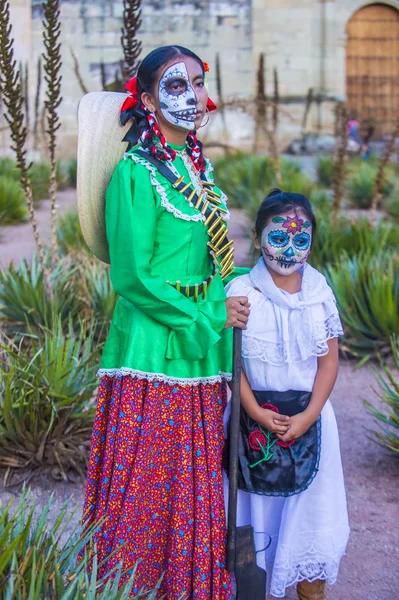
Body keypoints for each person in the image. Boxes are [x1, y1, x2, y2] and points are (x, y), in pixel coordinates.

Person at [79, 45, 250, 598]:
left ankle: (189, 581)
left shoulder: (198, 170)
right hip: (155, 347)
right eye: (176, 86)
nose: (193, 96)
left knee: (191, 475)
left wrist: (248, 285)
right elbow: (131, 277)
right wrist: (209, 314)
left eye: (198, 83)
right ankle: (135, 587)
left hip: (200, 342)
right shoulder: (136, 175)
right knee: (152, 479)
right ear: (147, 100)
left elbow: (211, 262)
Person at [224, 189, 350, 599]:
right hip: (252, 423)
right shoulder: (241, 291)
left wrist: (309, 415)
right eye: (278, 238)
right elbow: (233, 366)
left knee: (308, 521)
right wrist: (257, 414)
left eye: (301, 239)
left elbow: (328, 363)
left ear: (312, 241)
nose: (290, 249)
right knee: (254, 523)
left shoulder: (319, 292)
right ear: (259, 239)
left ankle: (310, 590)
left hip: (310, 423)